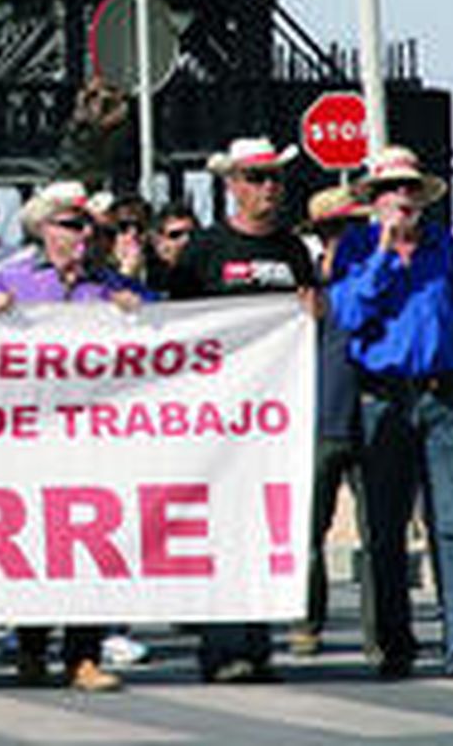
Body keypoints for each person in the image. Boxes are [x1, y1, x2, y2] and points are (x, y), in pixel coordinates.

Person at [330, 146, 453, 680]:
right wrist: (384, 254)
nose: (401, 198)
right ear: (375, 200)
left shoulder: (443, 246)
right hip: (382, 397)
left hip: (442, 394)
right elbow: (347, 313)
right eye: (390, 191)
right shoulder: (356, 247)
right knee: (385, 528)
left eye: (408, 190)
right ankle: (393, 642)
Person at [0, 181, 141, 692]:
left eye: (88, 225)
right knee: (35, 542)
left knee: (91, 545)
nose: (83, 234)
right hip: (30, 433)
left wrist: (134, 303)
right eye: (71, 224)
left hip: (93, 434)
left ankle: (83, 655)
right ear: (44, 229)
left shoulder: (109, 283)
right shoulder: (12, 279)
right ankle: (31, 649)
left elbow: (163, 342)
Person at [169, 136, 317, 683]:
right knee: (222, 531)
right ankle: (221, 648)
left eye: (274, 178)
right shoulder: (205, 249)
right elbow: (176, 328)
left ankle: (257, 647)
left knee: (262, 531)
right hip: (216, 416)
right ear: (232, 185)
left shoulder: (293, 250)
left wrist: (313, 311)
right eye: (256, 178)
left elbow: (310, 314)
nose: (268, 188)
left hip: (273, 418)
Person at [289, 186, 377, 659]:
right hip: (318, 418)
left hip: (372, 417)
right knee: (309, 533)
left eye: (354, 228)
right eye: (336, 229)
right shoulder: (304, 288)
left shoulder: (377, 278)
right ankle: (307, 622)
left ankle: (379, 633)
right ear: (321, 235)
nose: (346, 237)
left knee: (379, 531)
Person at [149, 202, 199, 292]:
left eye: (192, 234)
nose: (186, 239)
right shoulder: (150, 275)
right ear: (158, 241)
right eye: (176, 235)